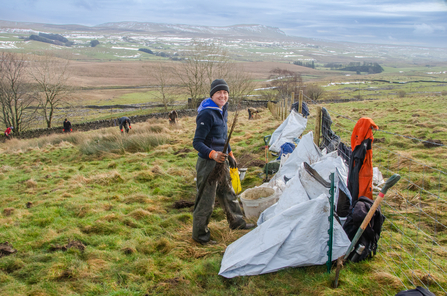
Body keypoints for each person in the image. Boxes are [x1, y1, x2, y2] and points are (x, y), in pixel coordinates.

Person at [192, 79, 254, 245]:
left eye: (225, 92)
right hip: (208, 164)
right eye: (219, 92)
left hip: (222, 160)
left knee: (228, 193)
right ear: (212, 94)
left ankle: (237, 224)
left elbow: (222, 137)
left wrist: (230, 153)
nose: (223, 95)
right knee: (206, 201)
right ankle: (200, 237)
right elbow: (197, 142)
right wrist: (213, 154)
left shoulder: (221, 110)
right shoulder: (207, 113)